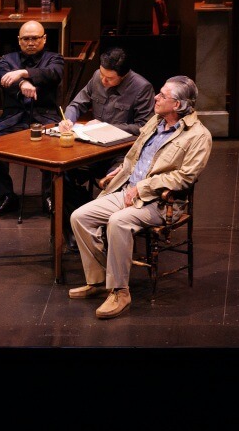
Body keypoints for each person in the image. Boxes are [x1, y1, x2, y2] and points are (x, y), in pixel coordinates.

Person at [68, 76, 212, 319]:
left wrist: (144, 186)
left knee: (118, 222)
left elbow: (185, 178)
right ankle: (100, 279)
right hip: (128, 190)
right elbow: (135, 154)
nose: (156, 97)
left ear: (177, 105)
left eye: (162, 96)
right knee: (80, 216)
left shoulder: (198, 136)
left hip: (161, 202)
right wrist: (123, 172)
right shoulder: (155, 122)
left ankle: (121, 292)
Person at [57, 47, 154, 219]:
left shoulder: (142, 87)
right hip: (93, 149)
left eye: (109, 78)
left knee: (115, 181)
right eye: (102, 74)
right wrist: (69, 120)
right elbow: (76, 104)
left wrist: (105, 126)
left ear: (123, 76)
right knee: (60, 172)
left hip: (121, 154)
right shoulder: (97, 77)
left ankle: (99, 224)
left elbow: (144, 126)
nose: (103, 81)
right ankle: (78, 220)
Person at [0, 20, 64, 218]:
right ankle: (5, 195)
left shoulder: (55, 58)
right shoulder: (7, 60)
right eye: (26, 39)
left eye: (35, 38)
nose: (31, 42)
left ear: (44, 39)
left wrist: (23, 73)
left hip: (45, 117)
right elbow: (5, 81)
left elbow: (53, 74)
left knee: (59, 145)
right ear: (19, 41)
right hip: (14, 117)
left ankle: (50, 195)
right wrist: (23, 84)